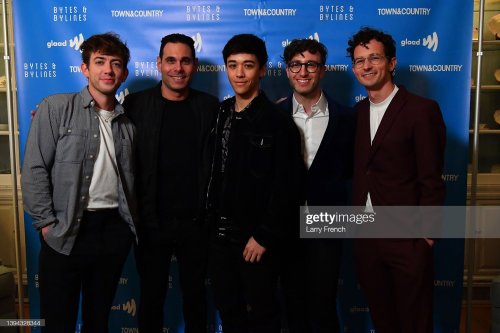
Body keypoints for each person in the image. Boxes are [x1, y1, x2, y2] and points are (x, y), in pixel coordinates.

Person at [21, 32, 136, 333]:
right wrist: (46, 222)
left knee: (98, 321)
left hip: (112, 231)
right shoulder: (55, 108)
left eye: (116, 64)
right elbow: (34, 169)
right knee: (58, 321)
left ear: (124, 73)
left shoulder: (128, 123)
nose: (108, 70)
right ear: (85, 68)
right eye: (99, 62)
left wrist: (125, 231)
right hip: (65, 228)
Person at [346, 27, 446, 333]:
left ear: (391, 63)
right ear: (353, 68)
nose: (366, 66)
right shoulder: (357, 113)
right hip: (366, 237)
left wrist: (426, 237)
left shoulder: (420, 110)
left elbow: (431, 179)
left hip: (407, 238)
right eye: (360, 60)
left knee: (415, 322)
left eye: (374, 57)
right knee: (383, 319)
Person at [205, 34, 303, 333]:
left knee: (263, 314)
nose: (239, 73)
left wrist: (264, 235)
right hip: (218, 237)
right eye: (232, 65)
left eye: (248, 65)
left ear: (261, 70)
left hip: (255, 240)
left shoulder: (278, 121)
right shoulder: (219, 113)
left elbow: (288, 185)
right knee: (229, 311)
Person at [122, 33, 219, 333]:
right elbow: (99, 121)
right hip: (151, 222)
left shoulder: (210, 107)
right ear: (159, 64)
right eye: (171, 60)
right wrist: (55, 117)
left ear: (194, 65)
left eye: (185, 61)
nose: (178, 68)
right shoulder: (135, 104)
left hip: (197, 222)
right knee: (151, 299)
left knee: (196, 298)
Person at [277, 38, 355, 333]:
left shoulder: (347, 118)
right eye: (296, 64)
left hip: (328, 222)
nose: (303, 71)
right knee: (290, 305)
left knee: (323, 306)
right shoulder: (275, 116)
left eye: (311, 64)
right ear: (287, 71)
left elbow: (351, 170)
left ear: (322, 70)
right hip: (285, 224)